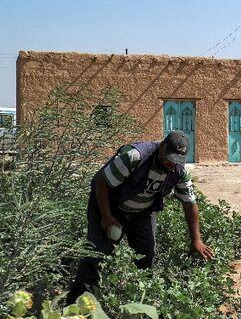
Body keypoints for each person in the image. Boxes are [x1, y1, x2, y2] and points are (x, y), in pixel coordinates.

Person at [67, 130, 214, 303]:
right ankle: (74, 307)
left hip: (143, 212)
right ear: (162, 147)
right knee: (96, 255)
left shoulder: (180, 171)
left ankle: (135, 308)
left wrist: (196, 239)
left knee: (146, 257)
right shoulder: (135, 156)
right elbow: (101, 182)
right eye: (170, 159)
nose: (171, 165)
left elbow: (189, 203)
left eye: (177, 161)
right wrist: (106, 218)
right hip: (110, 206)